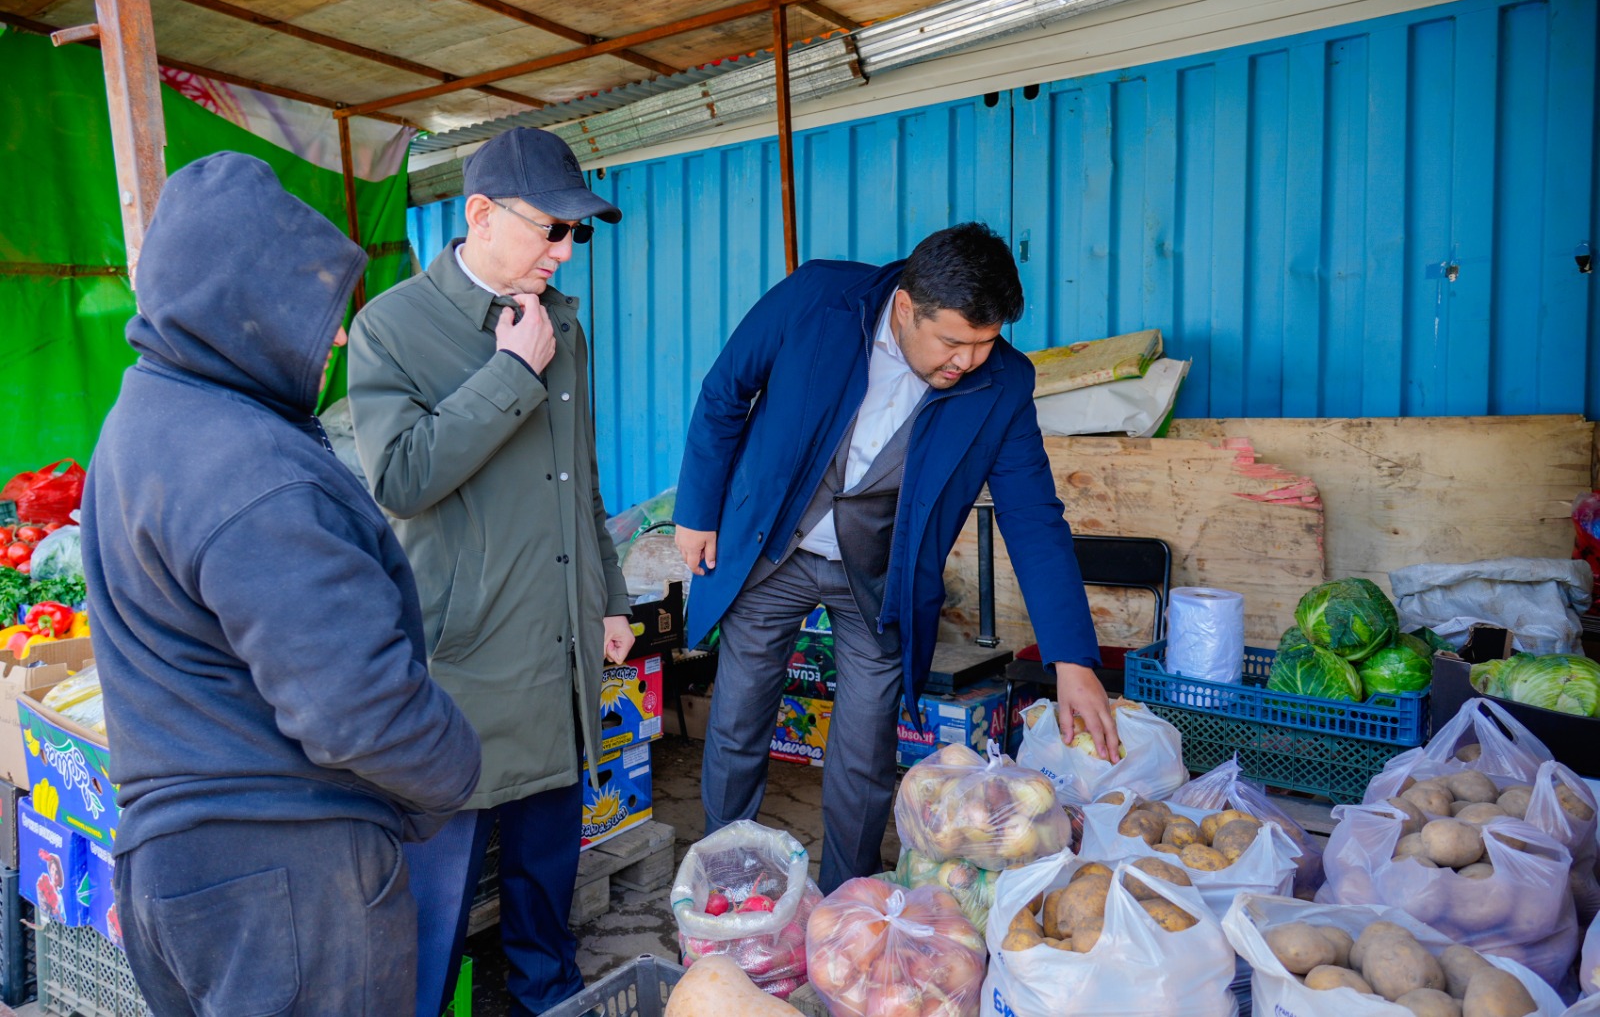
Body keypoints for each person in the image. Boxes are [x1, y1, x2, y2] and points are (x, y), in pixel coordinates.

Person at [81, 152, 482, 1016]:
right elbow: (357, 706)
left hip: (175, 872)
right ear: (246, 304)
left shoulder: (139, 421)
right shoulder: (253, 470)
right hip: (286, 878)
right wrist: (458, 769)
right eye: (317, 311)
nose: (336, 337)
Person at [674, 222, 1119, 892]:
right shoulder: (817, 298)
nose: (967, 362)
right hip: (774, 545)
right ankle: (723, 878)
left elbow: (1033, 518)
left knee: (865, 752)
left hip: (879, 576)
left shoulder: (1002, 384)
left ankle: (847, 898)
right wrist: (696, 509)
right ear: (906, 308)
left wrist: (1072, 659)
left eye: (985, 344)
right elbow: (724, 392)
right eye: (952, 343)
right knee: (738, 722)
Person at [347, 127, 636, 1017]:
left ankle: (548, 1001)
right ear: (479, 214)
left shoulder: (564, 327)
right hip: (461, 662)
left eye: (575, 235)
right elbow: (400, 477)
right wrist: (512, 371)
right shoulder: (391, 327)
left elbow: (579, 484)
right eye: (551, 228)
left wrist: (611, 598)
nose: (563, 250)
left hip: (557, 647)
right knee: (436, 907)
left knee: (546, 888)